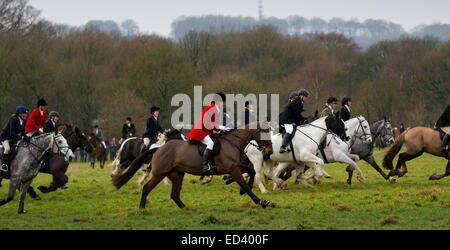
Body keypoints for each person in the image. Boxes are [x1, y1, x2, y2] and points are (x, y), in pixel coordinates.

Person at [186, 92, 231, 173]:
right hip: (200, 131)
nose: (224, 104)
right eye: (223, 101)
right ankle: (205, 165)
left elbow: (214, 124)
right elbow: (207, 124)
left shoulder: (217, 110)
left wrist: (222, 129)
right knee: (210, 143)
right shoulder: (209, 109)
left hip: (207, 131)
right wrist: (220, 127)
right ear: (218, 101)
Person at [0, 106, 30, 173]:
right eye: (24, 113)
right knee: (7, 148)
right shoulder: (13, 119)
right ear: (19, 114)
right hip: (5, 137)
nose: (26, 115)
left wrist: (26, 137)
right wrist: (22, 137)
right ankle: (3, 164)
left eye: (26, 113)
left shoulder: (24, 121)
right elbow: (12, 133)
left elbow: (23, 133)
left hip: (13, 138)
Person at [279, 89, 310, 154]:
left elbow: (297, 114)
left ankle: (290, 146)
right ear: (301, 96)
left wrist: (303, 120)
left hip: (291, 119)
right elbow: (297, 114)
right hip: (286, 119)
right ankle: (283, 147)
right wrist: (303, 120)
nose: (306, 98)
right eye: (306, 97)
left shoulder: (299, 102)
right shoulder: (297, 101)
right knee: (290, 130)